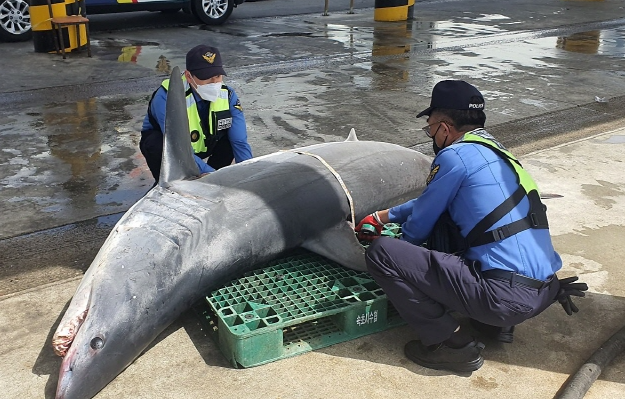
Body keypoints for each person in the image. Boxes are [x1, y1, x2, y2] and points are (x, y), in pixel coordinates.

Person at [354, 80, 587, 373]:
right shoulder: (496, 153)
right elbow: (446, 202)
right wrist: (384, 216)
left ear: (443, 128)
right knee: (482, 230)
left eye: (429, 129)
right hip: (545, 288)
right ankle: (497, 327)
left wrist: (396, 240)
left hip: (504, 297)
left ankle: (452, 344)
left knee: (382, 253)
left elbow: (418, 229)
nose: (431, 135)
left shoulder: (454, 155)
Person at [140, 44, 253, 184]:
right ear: (188, 76)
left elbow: (240, 141)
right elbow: (177, 148)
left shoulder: (228, 95)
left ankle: (210, 180)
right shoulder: (167, 97)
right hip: (172, 150)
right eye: (206, 77)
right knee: (155, 144)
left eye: (217, 76)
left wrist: (250, 175)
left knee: (230, 139)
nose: (214, 82)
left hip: (206, 142)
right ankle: (168, 185)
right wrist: (212, 176)